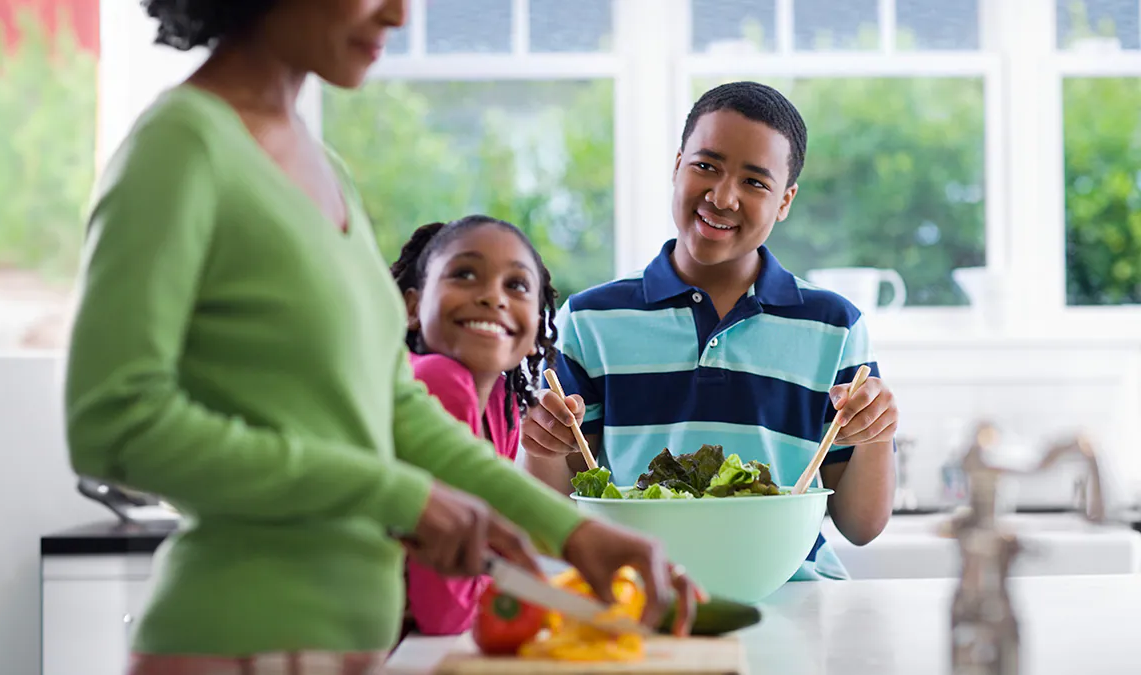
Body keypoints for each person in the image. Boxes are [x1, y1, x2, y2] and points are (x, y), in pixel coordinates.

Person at [62, 2, 696, 673]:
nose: (399, 12)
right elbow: (113, 423)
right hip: (237, 641)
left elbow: (396, 409)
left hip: (351, 646)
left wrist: (578, 533)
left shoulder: (323, 166)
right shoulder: (179, 146)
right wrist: (400, 495)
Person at [521, 81, 898, 581]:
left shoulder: (834, 326)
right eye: (706, 167)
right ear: (677, 166)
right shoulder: (589, 321)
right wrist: (542, 446)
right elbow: (556, 516)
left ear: (785, 201)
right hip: (639, 596)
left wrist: (876, 435)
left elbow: (860, 525)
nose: (722, 197)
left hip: (796, 593)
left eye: (755, 183)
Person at [388, 215, 560, 636]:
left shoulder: (503, 404)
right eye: (464, 274)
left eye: (516, 285)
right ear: (412, 308)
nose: (491, 297)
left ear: (538, 325)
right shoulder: (436, 379)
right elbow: (445, 610)